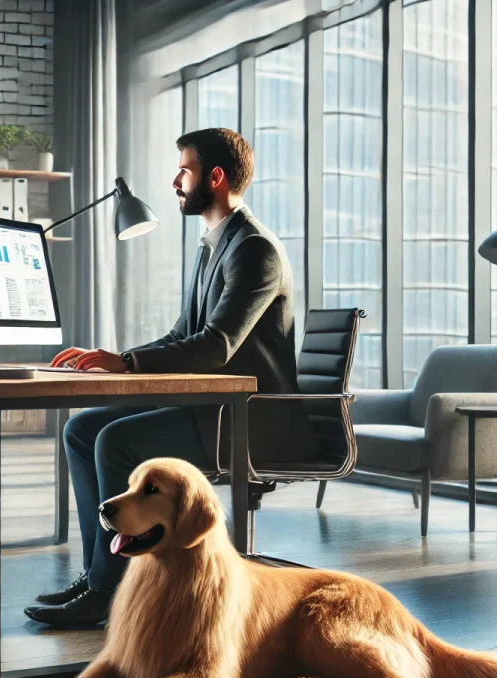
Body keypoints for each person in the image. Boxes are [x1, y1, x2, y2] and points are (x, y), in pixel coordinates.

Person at [24, 128, 313, 627]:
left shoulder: (255, 250)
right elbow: (183, 333)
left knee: (114, 442)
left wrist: (128, 365)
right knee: (82, 430)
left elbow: (217, 345)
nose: (175, 179)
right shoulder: (213, 248)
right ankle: (101, 575)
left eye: (185, 168)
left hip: (247, 420)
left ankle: (109, 591)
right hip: (212, 409)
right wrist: (116, 357)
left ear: (215, 178)